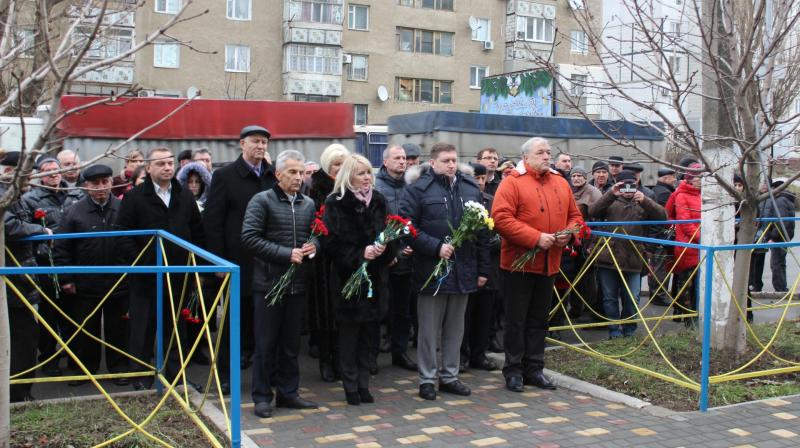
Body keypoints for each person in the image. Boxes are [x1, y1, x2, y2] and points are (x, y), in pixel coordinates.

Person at [400, 142, 490, 401]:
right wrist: (435, 247)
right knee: (428, 329)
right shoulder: (418, 190)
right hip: (431, 270)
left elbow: (483, 232)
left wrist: (483, 269)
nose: (451, 164)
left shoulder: (470, 188)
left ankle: (450, 375)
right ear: (433, 163)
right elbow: (406, 228)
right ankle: (427, 378)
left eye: (454, 160)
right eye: (446, 160)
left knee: (455, 327)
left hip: (463, 269)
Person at [492, 137, 583, 393]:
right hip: (517, 267)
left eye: (548, 152)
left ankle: (534, 368)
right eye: (541, 153)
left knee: (539, 320)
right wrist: (535, 238)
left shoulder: (560, 182)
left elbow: (576, 216)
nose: (546, 156)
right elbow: (500, 219)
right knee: (516, 320)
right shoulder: (512, 182)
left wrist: (569, 233)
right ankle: (513, 370)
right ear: (526, 157)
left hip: (549, 264)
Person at [114, 147, 205, 390]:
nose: (167, 167)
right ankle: (141, 377)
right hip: (145, 276)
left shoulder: (184, 195)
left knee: (176, 327)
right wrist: (140, 263)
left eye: (169, 163)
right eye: (161, 164)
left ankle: (176, 376)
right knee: (143, 327)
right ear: (149, 167)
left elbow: (196, 231)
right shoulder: (135, 197)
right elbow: (122, 233)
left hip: (177, 274)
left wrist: (193, 263)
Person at [241, 150, 320, 418]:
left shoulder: (308, 204)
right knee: (266, 344)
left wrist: (313, 247)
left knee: (290, 344)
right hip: (268, 284)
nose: (299, 178)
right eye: (292, 172)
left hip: (297, 285)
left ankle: (288, 393)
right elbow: (250, 238)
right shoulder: (261, 200)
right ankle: (262, 396)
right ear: (278, 174)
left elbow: (316, 234)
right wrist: (285, 253)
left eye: (301, 172)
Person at [202, 125, 277, 391]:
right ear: (242, 144)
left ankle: (266, 377)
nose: (260, 146)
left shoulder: (271, 175)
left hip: (267, 262)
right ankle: (226, 376)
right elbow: (212, 222)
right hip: (235, 262)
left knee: (264, 324)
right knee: (231, 323)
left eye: (264, 142)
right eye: (255, 141)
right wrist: (218, 261)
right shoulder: (225, 176)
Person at [323, 153, 396, 405]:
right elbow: (330, 242)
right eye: (361, 173)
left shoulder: (378, 200)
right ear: (349, 175)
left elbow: (391, 233)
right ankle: (350, 385)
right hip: (347, 279)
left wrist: (384, 249)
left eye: (368, 172)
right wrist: (359, 254)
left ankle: (364, 383)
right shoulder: (336, 202)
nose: (367, 177)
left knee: (368, 335)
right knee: (349, 337)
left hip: (374, 279)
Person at [53, 164, 130, 385]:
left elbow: (133, 244)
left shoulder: (122, 207)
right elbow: (62, 247)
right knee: (85, 329)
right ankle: (85, 369)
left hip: (118, 281)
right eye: (95, 183)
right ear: (86, 186)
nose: (101, 188)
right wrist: (66, 279)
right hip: (86, 282)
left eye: (105, 182)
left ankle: (119, 368)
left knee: (118, 329)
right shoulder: (74, 211)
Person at [21, 157, 83, 376]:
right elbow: (25, 226)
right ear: (38, 175)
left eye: (55, 170)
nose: (53, 174)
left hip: (72, 262)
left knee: (74, 314)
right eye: (46, 171)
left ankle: (76, 360)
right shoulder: (30, 199)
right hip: (45, 263)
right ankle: (49, 359)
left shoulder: (77, 194)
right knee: (48, 316)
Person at [589, 170, 667, 339]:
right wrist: (611, 193)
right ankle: (614, 332)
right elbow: (593, 212)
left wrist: (646, 201)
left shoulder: (644, 199)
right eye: (625, 185)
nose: (628, 189)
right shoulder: (610, 198)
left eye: (632, 184)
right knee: (609, 298)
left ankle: (629, 331)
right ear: (618, 184)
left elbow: (663, 217)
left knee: (632, 297)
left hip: (634, 257)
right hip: (608, 255)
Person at [1, 151, 51, 401]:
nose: (31, 181)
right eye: (27, 175)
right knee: (23, 340)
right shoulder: (4, 194)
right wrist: (39, 229)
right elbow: (9, 227)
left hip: (19, 277)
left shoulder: (15, 195)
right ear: (10, 172)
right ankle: (17, 396)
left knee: (25, 338)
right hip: (12, 280)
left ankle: (19, 392)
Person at [307, 144, 349, 381]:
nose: (340, 169)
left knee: (343, 312)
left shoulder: (349, 188)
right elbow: (314, 223)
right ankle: (326, 360)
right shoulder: (317, 189)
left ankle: (342, 360)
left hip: (345, 258)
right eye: (336, 164)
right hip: (323, 261)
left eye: (343, 164)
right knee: (325, 312)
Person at [374, 145, 418, 372]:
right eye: (398, 158)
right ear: (385, 162)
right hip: (382, 257)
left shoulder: (411, 186)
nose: (403, 162)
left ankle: (399, 353)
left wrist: (410, 246)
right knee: (378, 308)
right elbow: (375, 223)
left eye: (404, 158)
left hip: (406, 258)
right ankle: (371, 356)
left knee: (402, 309)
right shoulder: (376, 186)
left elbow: (413, 218)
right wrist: (391, 251)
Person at [460, 163, 500, 372]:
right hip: (467, 266)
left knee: (485, 314)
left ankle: (479, 354)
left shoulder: (492, 202)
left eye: (481, 179)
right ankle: (462, 355)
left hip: (489, 267)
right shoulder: (460, 201)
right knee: (464, 315)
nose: (478, 183)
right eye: (473, 179)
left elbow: (502, 228)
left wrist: (496, 242)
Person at [665, 163, 702, 323]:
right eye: (700, 177)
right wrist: (704, 238)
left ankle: (693, 314)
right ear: (691, 179)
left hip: (698, 245)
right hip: (688, 245)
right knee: (686, 284)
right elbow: (686, 224)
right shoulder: (681, 195)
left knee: (698, 284)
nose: (703, 181)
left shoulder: (703, 194)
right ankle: (687, 317)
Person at [752, 180, 796, 293]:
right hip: (784, 234)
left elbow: (781, 221)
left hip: (779, 236)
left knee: (776, 263)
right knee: (779, 261)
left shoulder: (780, 201)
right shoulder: (785, 199)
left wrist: (773, 236)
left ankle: (780, 289)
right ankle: (781, 287)